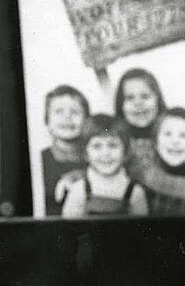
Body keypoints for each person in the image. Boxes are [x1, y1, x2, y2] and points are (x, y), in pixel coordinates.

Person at [59, 114, 149, 218]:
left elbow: (142, 229)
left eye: (113, 145)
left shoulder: (135, 192)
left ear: (125, 151)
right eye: (97, 146)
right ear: (86, 153)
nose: (105, 153)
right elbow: (69, 229)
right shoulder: (80, 190)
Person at [40, 85, 90, 216]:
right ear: (47, 121)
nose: (67, 117)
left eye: (75, 112)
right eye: (58, 111)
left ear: (86, 121)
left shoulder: (98, 159)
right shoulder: (39, 161)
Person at [113, 68, 167, 186]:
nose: (138, 103)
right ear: (120, 105)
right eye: (130, 98)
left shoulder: (170, 135)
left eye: (145, 96)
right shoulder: (117, 143)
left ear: (158, 100)